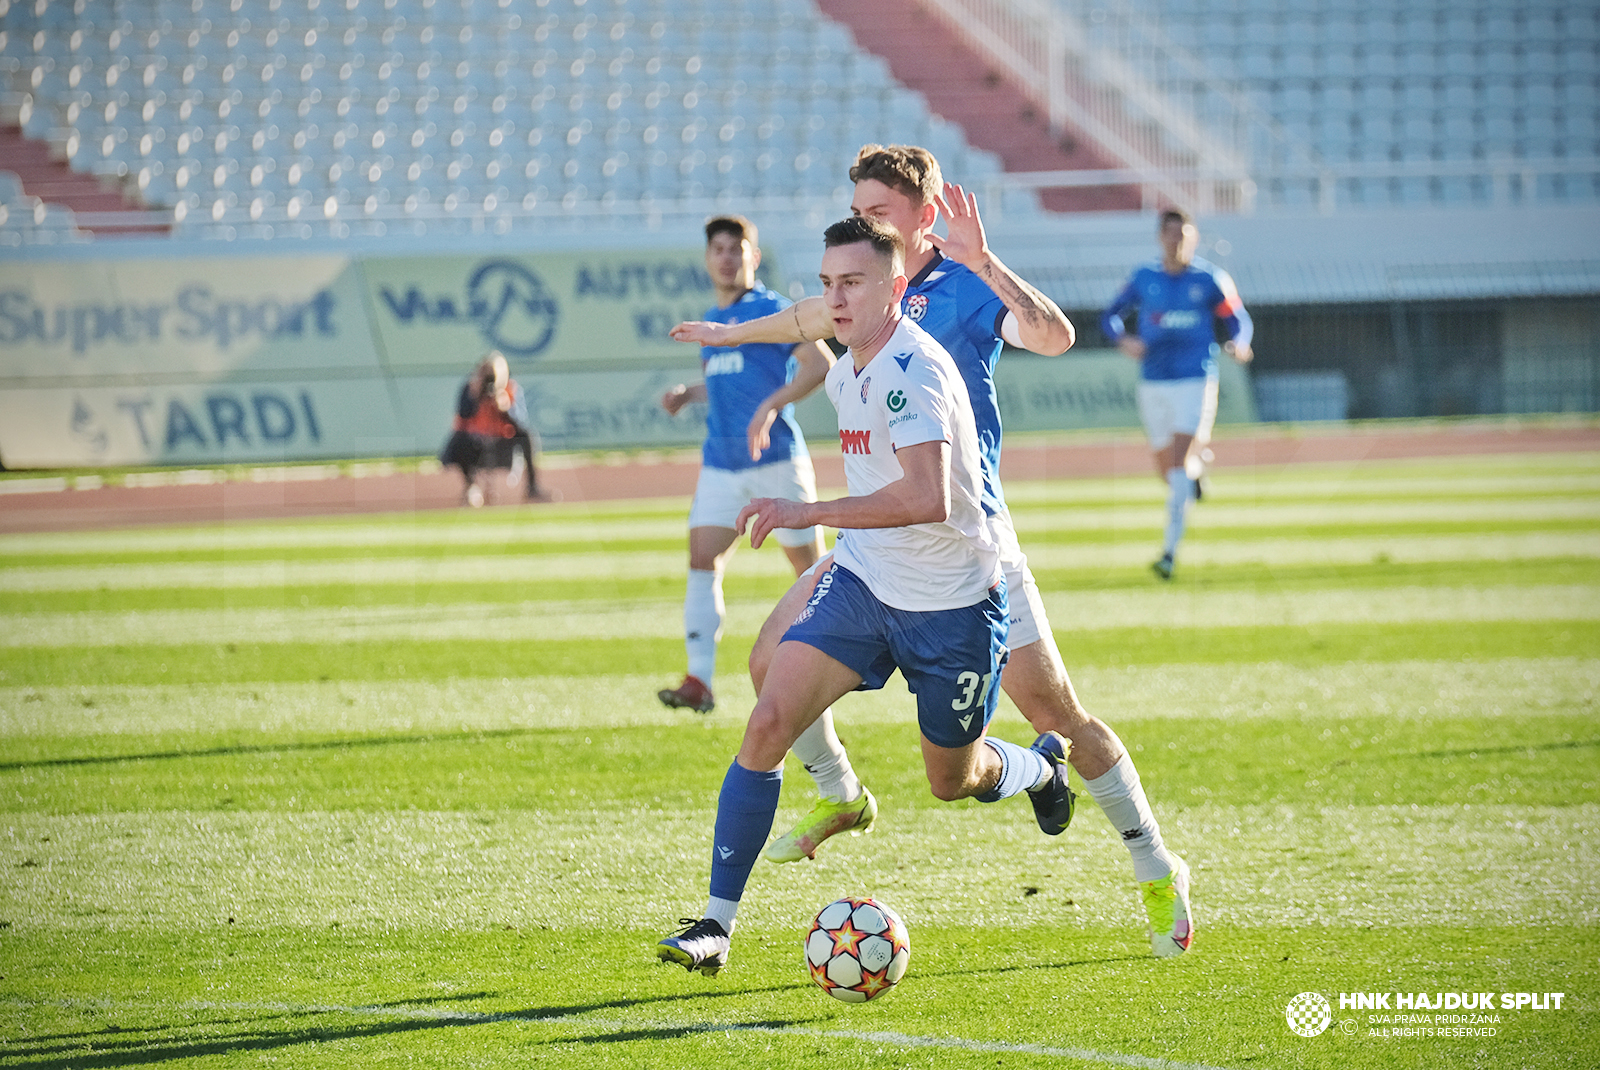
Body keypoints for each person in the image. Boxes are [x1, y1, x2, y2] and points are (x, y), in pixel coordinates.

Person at [671, 144, 1193, 959]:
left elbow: (1053, 337)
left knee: (1055, 719)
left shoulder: (961, 287)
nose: (866, 220)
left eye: (879, 208)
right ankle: (838, 799)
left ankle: (1154, 861)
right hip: (873, 547)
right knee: (768, 667)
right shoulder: (860, 290)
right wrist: (727, 330)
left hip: (965, 544)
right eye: (859, 207)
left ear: (925, 211)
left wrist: (988, 262)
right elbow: (808, 319)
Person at [656, 216, 1075, 976]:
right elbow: (791, 322)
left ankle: (1042, 767)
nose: (834, 299)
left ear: (896, 288)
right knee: (770, 717)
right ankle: (715, 925)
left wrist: (805, 512)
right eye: (827, 283)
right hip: (865, 581)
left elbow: (924, 499)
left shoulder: (914, 370)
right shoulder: (848, 357)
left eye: (852, 283)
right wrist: (728, 337)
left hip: (952, 604)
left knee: (952, 779)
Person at [656, 215, 836, 714]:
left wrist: (773, 404)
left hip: (776, 459)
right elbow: (726, 382)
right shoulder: (711, 320)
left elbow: (820, 364)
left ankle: (827, 671)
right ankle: (699, 679)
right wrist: (689, 396)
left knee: (814, 575)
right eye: (718, 249)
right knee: (701, 562)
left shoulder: (773, 310)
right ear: (707, 259)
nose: (727, 257)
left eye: (737, 249)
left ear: (754, 257)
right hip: (721, 464)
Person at [1101, 207, 1253, 580]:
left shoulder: (1210, 278)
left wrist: (1239, 343)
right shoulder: (1144, 277)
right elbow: (1110, 316)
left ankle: (1169, 553)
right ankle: (1197, 472)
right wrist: (1124, 341)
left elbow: (1238, 320)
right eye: (1171, 234)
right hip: (1153, 380)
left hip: (1195, 378)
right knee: (1167, 471)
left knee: (1178, 466)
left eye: (1183, 235)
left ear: (1194, 238)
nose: (1177, 242)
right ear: (1160, 237)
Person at [439, 350, 551, 506]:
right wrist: (475, 397)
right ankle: (471, 486)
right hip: (476, 444)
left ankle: (532, 487)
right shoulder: (471, 388)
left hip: (502, 445)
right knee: (459, 440)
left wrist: (505, 407)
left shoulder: (510, 389)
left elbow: (521, 423)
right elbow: (463, 416)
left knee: (526, 436)